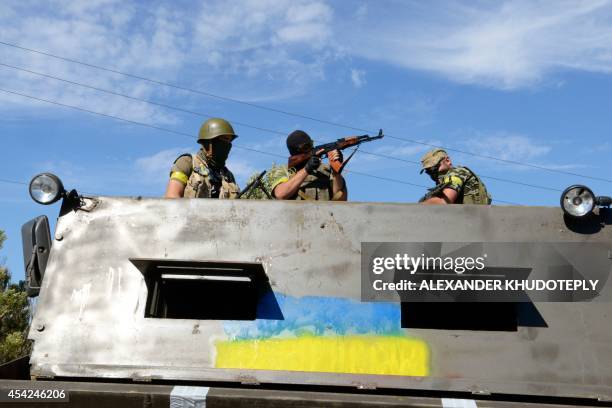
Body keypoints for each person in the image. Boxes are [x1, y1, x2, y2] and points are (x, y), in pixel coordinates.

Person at [164, 118, 240, 199]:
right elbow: (172, 197)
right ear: (208, 143)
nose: (227, 145)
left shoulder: (228, 176)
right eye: (224, 140)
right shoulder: (187, 162)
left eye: (229, 141)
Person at [269, 130, 347, 201]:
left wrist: (336, 173)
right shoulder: (284, 171)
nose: (310, 148)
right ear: (295, 152)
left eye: (311, 144)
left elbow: (341, 200)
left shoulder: (326, 170)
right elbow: (280, 194)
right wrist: (306, 169)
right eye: (306, 147)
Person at [419, 148, 491, 204]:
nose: (432, 172)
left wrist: (419, 207)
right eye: (428, 171)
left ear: (447, 160)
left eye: (434, 168)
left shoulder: (457, 173)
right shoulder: (443, 182)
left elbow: (444, 202)